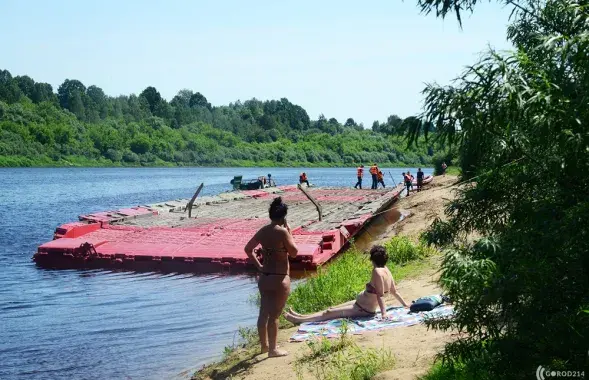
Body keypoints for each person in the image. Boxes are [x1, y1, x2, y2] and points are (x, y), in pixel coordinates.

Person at [284, 245, 409, 324]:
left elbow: (380, 295)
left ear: (372, 259)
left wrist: (384, 313)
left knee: (328, 313)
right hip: (360, 303)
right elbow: (394, 291)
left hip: (363, 309)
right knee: (330, 309)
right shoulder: (386, 269)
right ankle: (301, 316)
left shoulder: (377, 271)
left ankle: (299, 320)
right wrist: (405, 304)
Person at [245, 197, 298, 357]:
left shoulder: (263, 231)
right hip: (280, 277)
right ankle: (273, 350)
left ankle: (264, 346)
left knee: (263, 312)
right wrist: (290, 233)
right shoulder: (282, 232)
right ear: (283, 217)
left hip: (265, 276)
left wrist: (259, 266)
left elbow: (248, 249)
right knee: (274, 315)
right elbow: (294, 253)